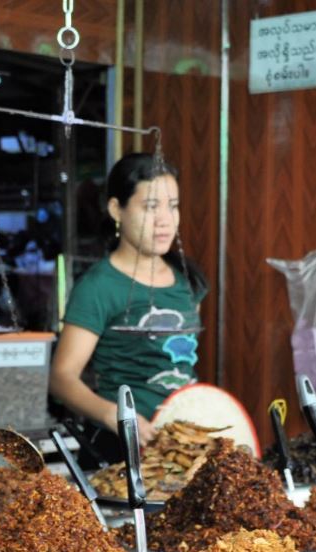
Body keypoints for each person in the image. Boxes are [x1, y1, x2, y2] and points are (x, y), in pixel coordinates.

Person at [50, 153, 207, 452]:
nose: (164, 220)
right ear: (116, 210)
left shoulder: (187, 280)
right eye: (150, 207)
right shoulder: (99, 286)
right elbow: (61, 378)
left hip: (180, 443)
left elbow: (185, 365)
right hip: (119, 447)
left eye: (173, 206)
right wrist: (114, 415)